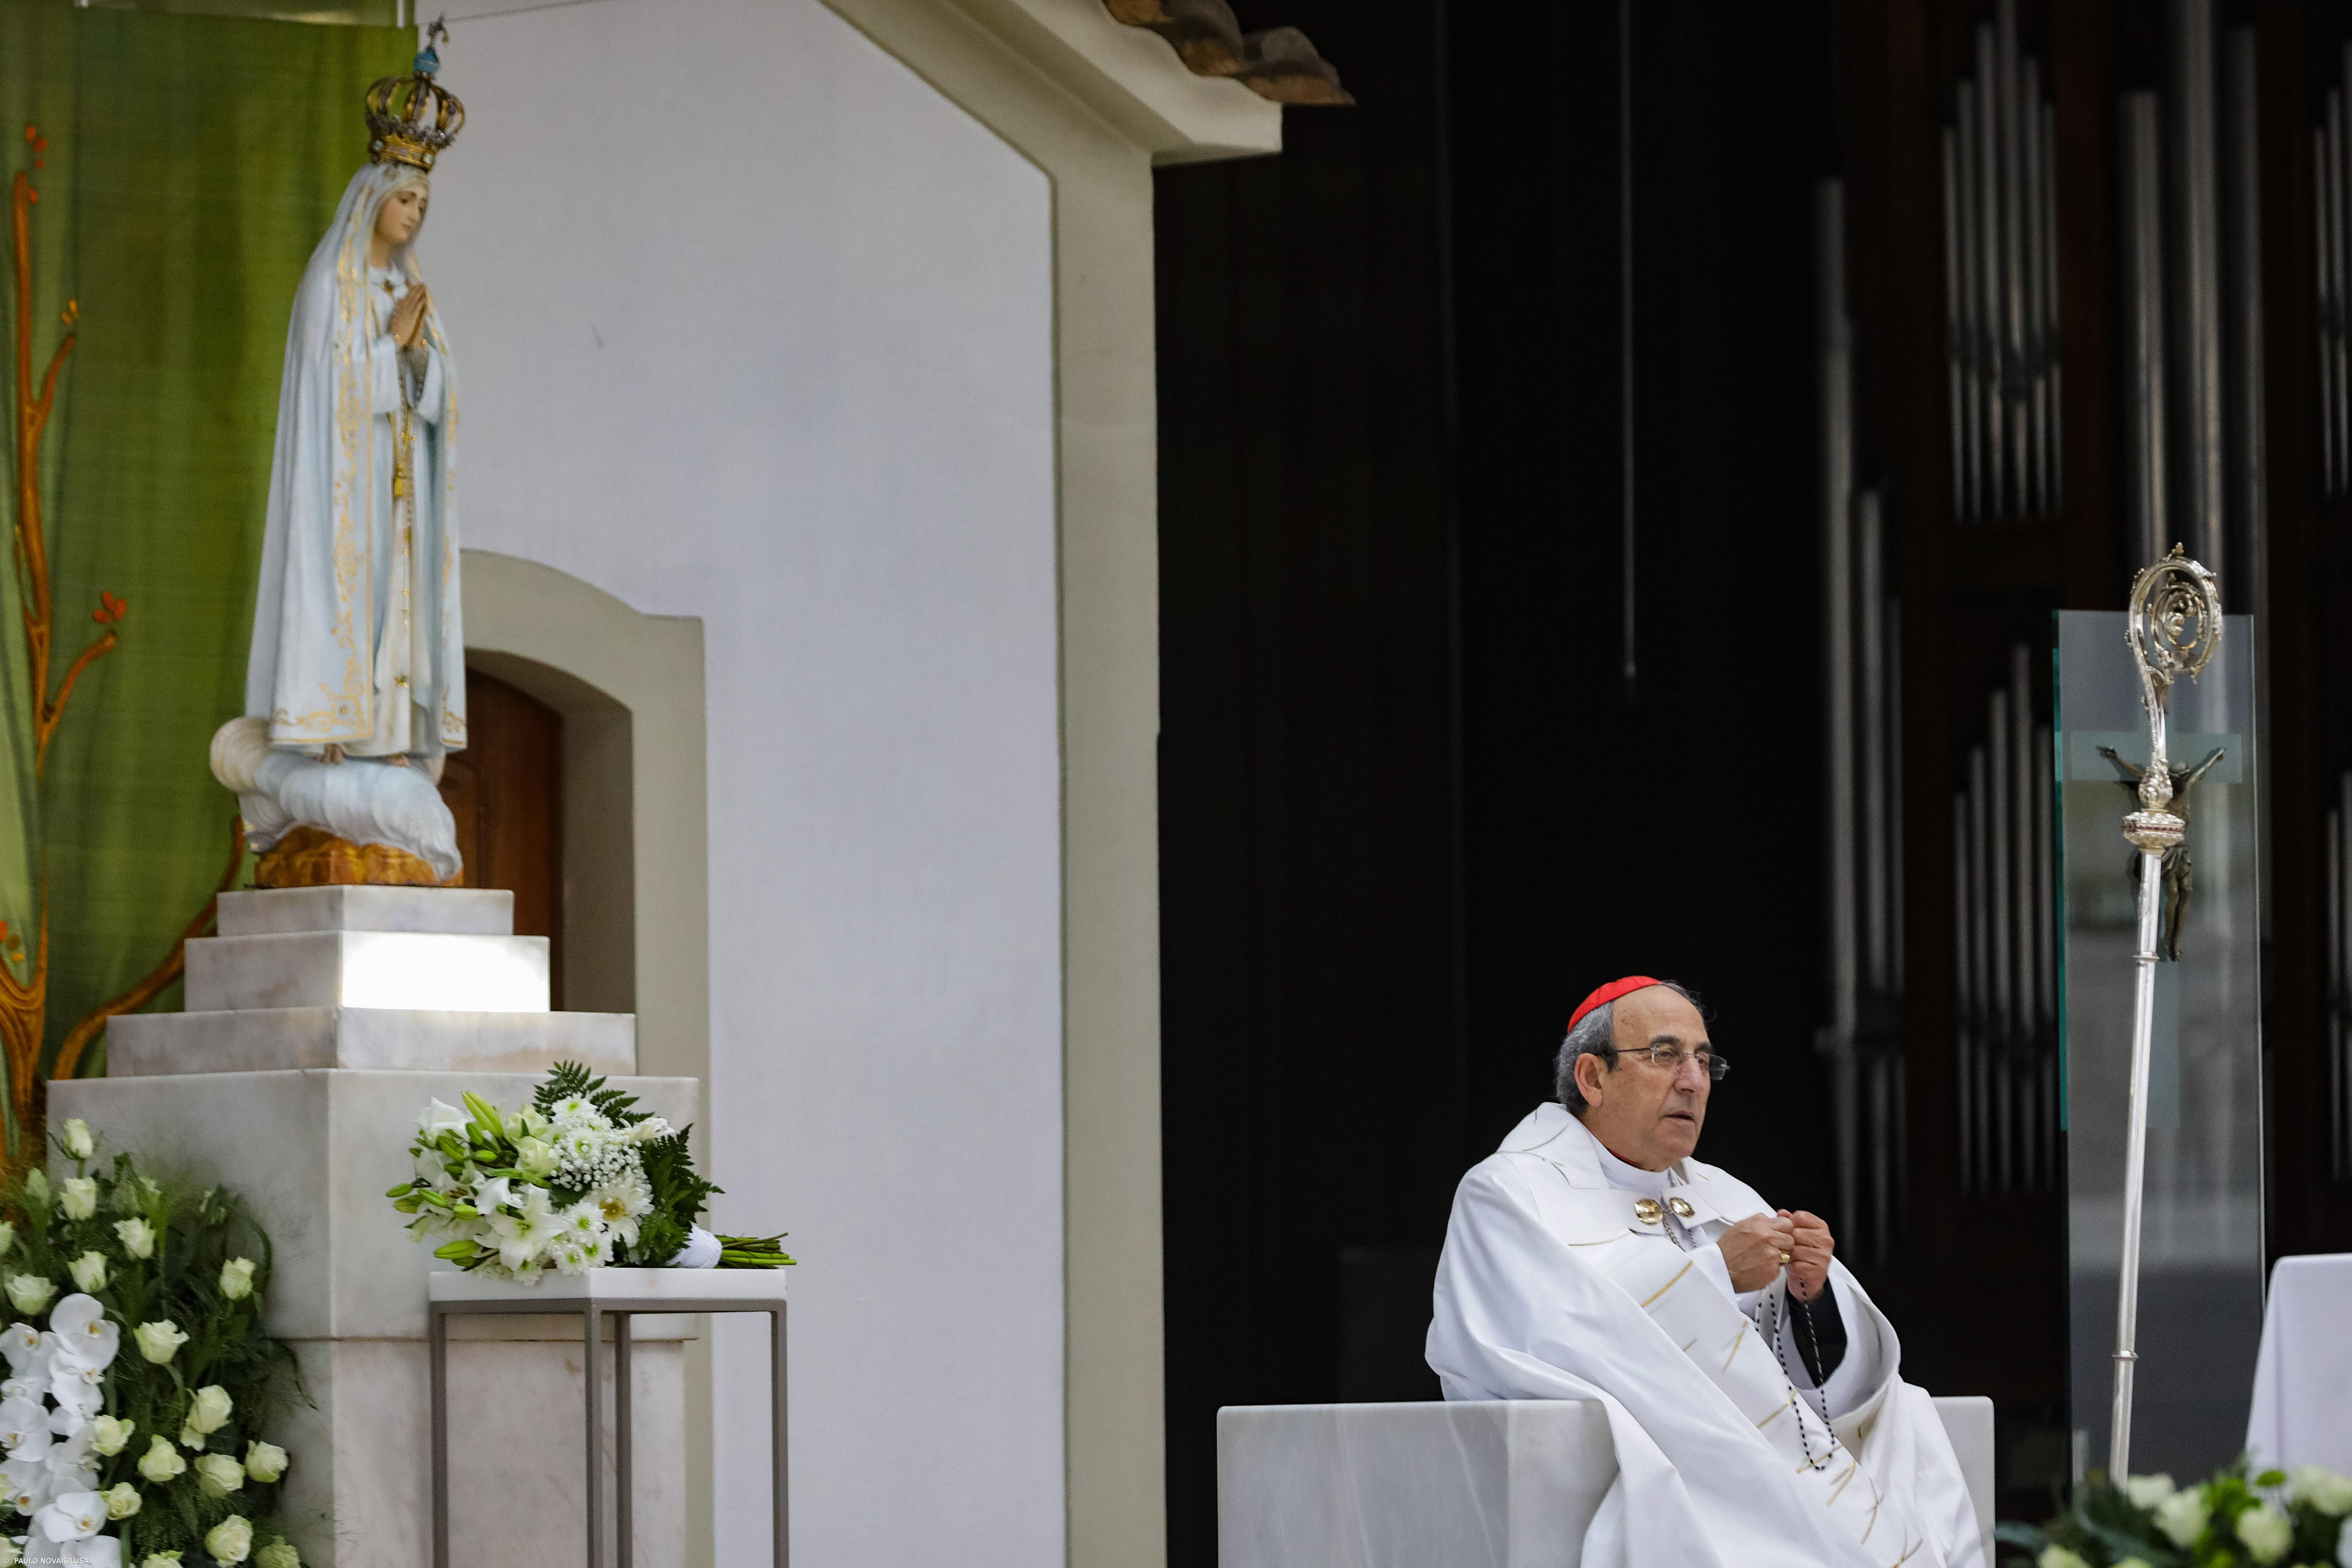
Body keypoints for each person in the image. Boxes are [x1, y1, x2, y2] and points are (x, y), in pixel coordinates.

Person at [1425, 976, 1982, 1568]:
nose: (1692, 1080)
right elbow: (1546, 1341)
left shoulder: (1723, 1193)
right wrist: (1714, 1271)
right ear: (1592, 1078)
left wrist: (1809, 1298)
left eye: (1702, 1060)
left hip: (1750, 1461)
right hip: (1639, 1457)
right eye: (1663, 1056)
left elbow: (1804, 1382)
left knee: (1907, 1410)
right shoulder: (1509, 1191)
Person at [220, 45, 467, 878]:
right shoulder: (333, 283)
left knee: (399, 614)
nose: (414, 215)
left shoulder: (410, 290)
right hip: (344, 496)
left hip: (400, 503)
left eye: (423, 202)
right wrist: (385, 352)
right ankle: (330, 736)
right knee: (349, 603)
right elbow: (326, 399)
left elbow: (441, 398)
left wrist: (418, 362)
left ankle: (389, 741)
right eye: (405, 197)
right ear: (371, 200)